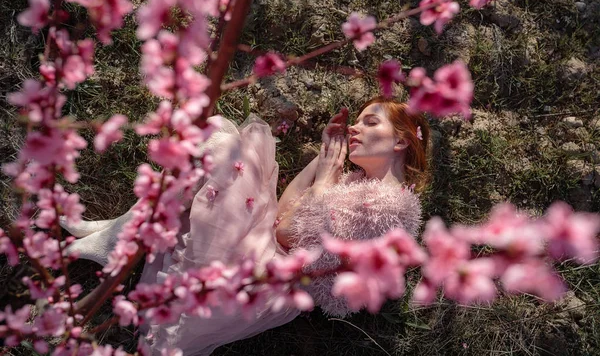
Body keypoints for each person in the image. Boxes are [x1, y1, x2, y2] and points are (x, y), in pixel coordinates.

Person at [61, 96, 431, 355]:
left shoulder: (386, 208)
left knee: (224, 152)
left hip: (267, 276)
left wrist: (325, 178)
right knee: (227, 148)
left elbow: (288, 233)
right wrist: (323, 163)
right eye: (357, 119)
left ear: (400, 140)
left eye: (369, 121)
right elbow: (287, 211)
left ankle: (123, 237)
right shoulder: (355, 183)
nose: (354, 127)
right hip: (267, 242)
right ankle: (125, 233)